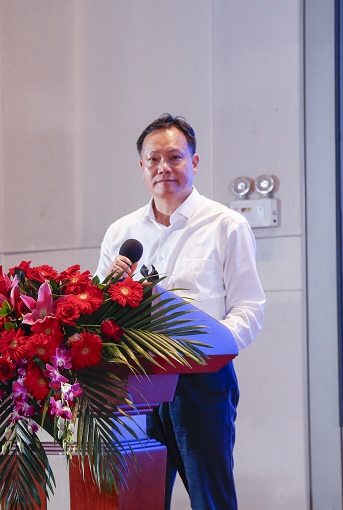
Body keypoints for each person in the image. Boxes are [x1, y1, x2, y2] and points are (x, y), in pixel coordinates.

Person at [96, 113, 266, 510]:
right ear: (141, 167)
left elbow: (249, 305)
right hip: (135, 381)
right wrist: (109, 291)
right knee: (140, 500)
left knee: (210, 499)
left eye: (174, 157)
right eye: (153, 159)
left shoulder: (226, 225)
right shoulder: (121, 233)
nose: (163, 168)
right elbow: (98, 311)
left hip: (200, 379)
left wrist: (215, 347)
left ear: (194, 162)